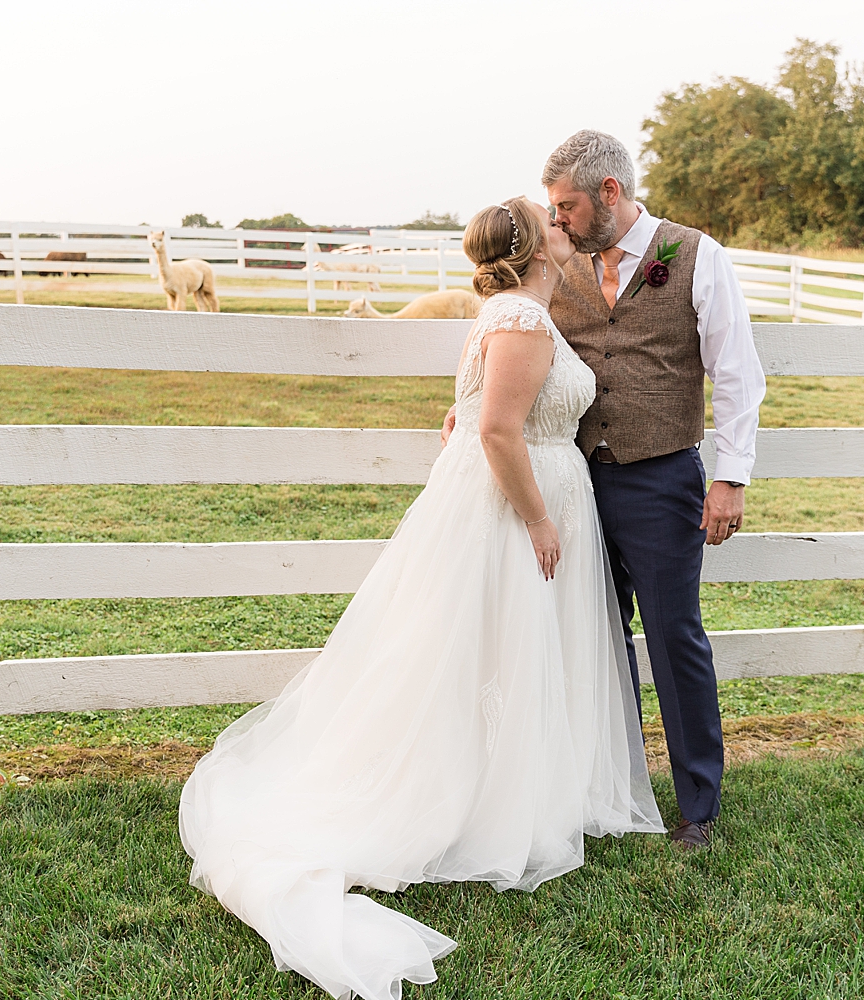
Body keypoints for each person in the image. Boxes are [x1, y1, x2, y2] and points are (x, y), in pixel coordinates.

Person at [179, 196, 664, 1000]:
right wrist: (538, 517)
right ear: (536, 246)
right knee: (493, 647)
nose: (564, 224)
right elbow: (500, 431)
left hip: (523, 494)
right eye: (550, 219)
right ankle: (480, 799)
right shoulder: (517, 319)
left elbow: (485, 411)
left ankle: (522, 779)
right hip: (517, 508)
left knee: (503, 649)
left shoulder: (521, 312)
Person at [543, 129, 767, 847]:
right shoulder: (559, 263)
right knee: (593, 637)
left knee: (675, 640)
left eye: (568, 206)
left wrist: (729, 478)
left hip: (664, 477)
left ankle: (698, 807)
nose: (559, 221)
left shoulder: (695, 255)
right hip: (576, 479)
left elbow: (736, 372)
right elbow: (511, 332)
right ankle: (606, 789)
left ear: (610, 192)